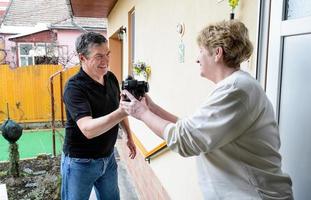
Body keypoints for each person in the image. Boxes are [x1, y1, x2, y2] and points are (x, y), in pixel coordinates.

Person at [120, 20, 293, 199]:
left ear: (217, 53)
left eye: (201, 51)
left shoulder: (236, 90)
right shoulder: (234, 86)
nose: (197, 58)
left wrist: (142, 113)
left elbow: (185, 140)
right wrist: (152, 108)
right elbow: (190, 128)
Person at [61, 31, 136, 200]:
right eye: (99, 56)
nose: (106, 61)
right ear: (82, 58)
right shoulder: (74, 88)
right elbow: (88, 129)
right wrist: (122, 111)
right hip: (79, 163)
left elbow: (120, 108)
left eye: (107, 54)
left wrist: (129, 136)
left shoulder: (110, 78)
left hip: (108, 159)